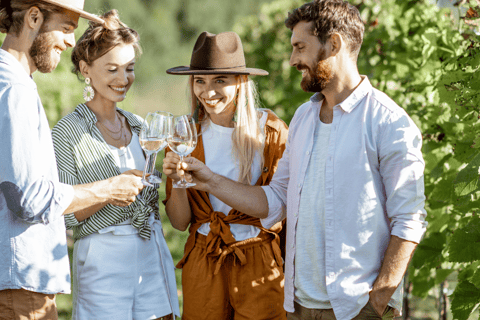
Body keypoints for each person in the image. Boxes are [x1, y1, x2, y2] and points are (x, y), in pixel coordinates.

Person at [171, 1, 428, 319]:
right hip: (300, 304)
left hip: (356, 307)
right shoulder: (305, 118)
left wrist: (379, 299)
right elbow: (276, 199)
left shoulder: (388, 122)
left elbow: (410, 219)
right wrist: (209, 179)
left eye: (300, 47)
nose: (292, 59)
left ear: (333, 44)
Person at [0, 1, 145, 319]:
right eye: (66, 28)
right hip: (19, 286)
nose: (70, 41)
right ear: (34, 17)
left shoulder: (14, 84)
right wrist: (109, 190)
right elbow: (29, 198)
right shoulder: (14, 91)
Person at [51, 10, 180, 320]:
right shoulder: (67, 131)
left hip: (150, 253)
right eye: (112, 69)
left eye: (130, 68)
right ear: (85, 69)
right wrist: (111, 189)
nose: (124, 80)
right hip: (101, 260)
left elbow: (153, 203)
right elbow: (67, 211)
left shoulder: (139, 127)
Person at [163, 31, 289, 320]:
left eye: (220, 80)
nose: (208, 92)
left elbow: (282, 208)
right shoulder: (185, 136)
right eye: (200, 81)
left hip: (258, 261)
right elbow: (180, 222)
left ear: (241, 82)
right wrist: (179, 184)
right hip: (205, 261)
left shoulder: (270, 132)